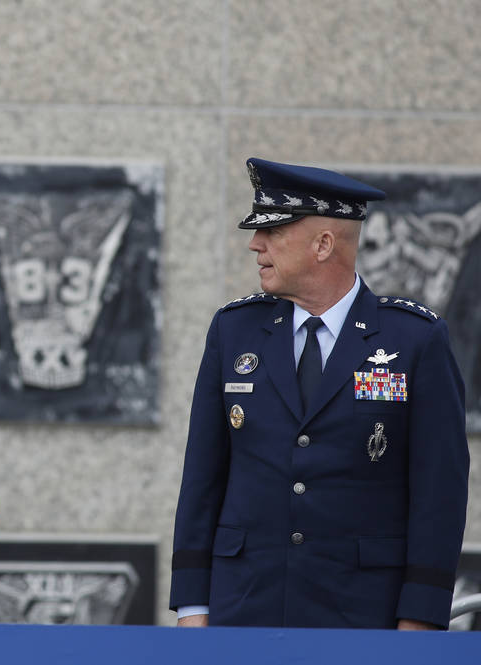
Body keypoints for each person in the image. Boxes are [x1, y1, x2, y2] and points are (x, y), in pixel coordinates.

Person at [170, 158, 469, 630]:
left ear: (323, 244)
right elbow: (202, 477)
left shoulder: (414, 340)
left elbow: (440, 493)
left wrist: (421, 619)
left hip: (362, 613)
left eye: (272, 233)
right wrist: (191, 606)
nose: (255, 244)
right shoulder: (235, 331)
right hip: (244, 607)